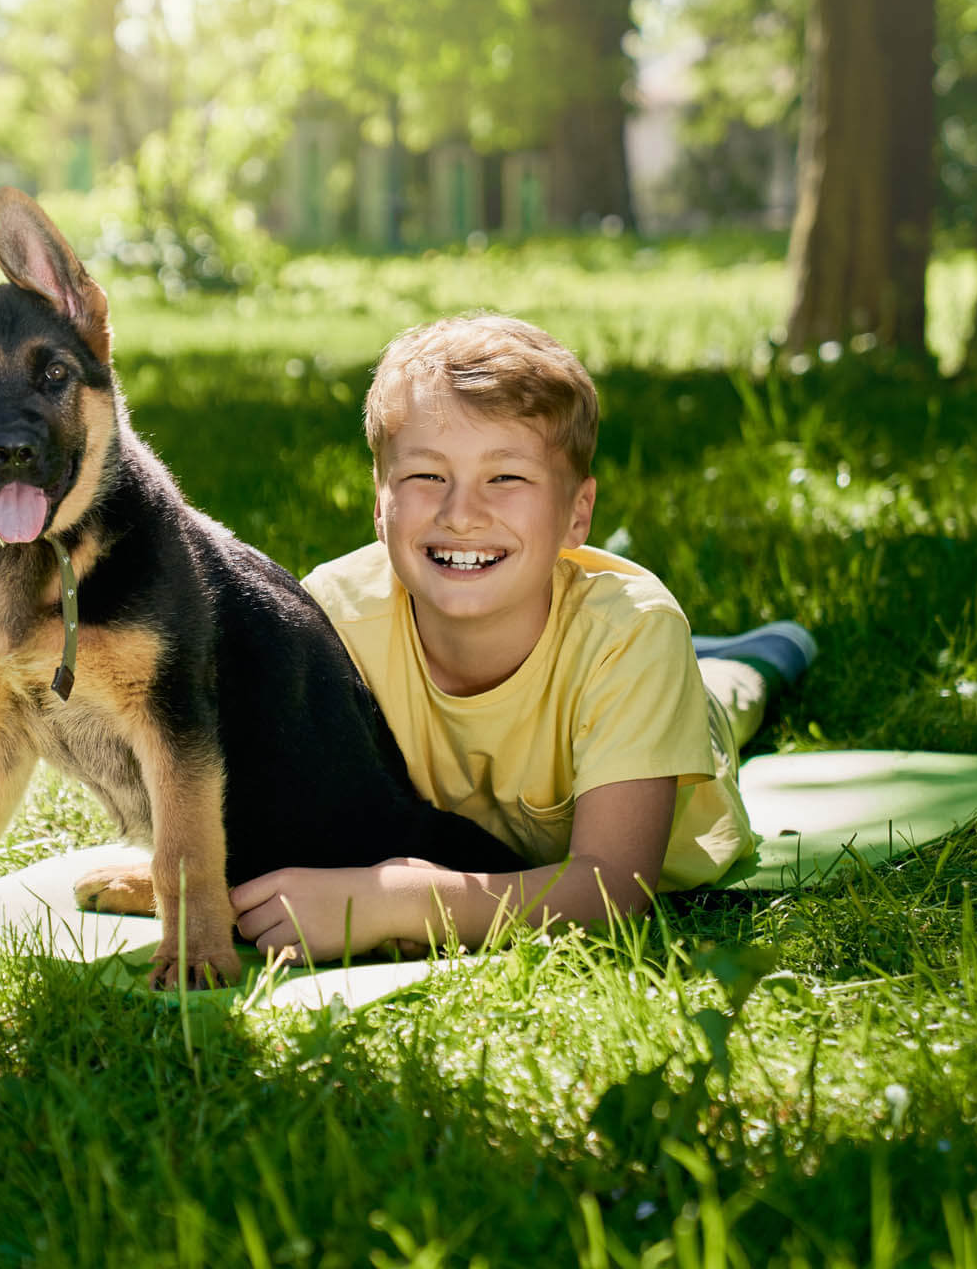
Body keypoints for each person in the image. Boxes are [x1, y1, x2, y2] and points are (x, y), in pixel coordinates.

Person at [228, 314, 815, 959]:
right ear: (379, 502)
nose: (461, 513)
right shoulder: (328, 618)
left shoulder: (632, 636)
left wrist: (395, 900)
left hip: (653, 703)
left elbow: (614, 889)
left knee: (725, 697)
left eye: (505, 477)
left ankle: (761, 653)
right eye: (426, 475)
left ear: (577, 513)